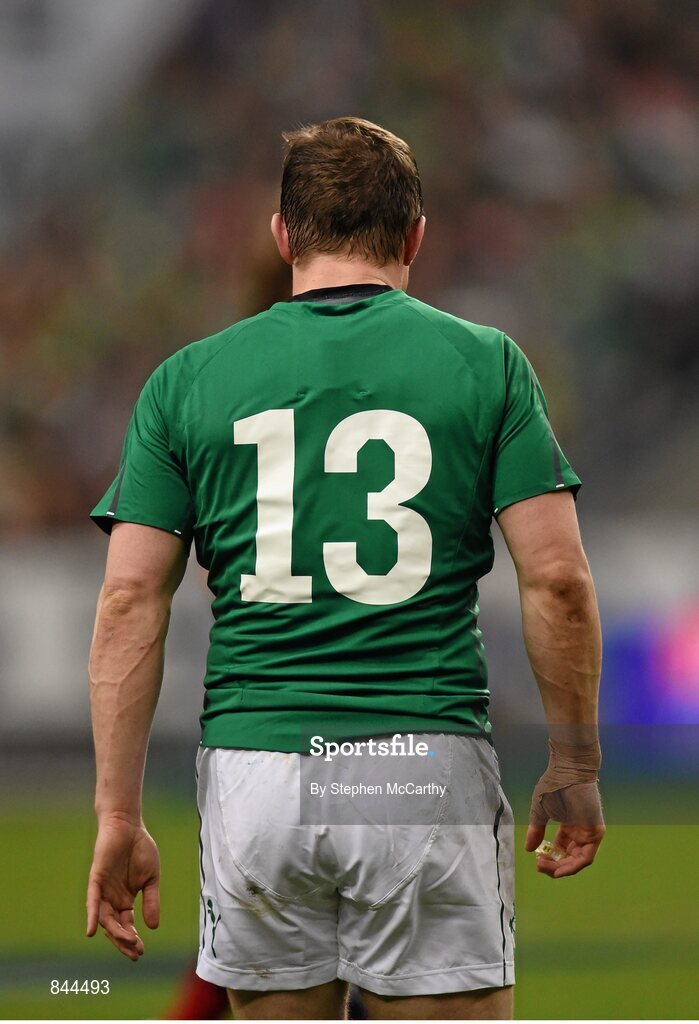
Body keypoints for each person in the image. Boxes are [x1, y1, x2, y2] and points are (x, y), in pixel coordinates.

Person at [86, 116, 604, 1021]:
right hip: (417, 757)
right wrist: (574, 761)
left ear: (284, 236)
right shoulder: (485, 365)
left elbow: (131, 599)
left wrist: (118, 818)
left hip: (258, 770)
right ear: (413, 237)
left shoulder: (186, 379)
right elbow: (556, 580)